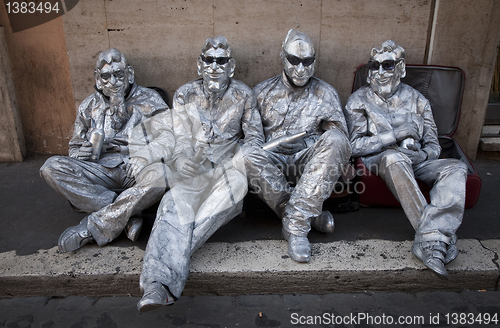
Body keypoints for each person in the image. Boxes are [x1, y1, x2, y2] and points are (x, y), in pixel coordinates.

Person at [137, 36, 264, 312]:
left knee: (230, 193)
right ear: (199, 65)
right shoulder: (184, 94)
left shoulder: (244, 95)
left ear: (231, 67)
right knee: (172, 203)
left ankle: (162, 274)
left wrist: (239, 158)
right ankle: (156, 286)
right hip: (195, 170)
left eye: (222, 61)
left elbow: (255, 140)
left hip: (230, 171)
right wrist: (181, 159)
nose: (215, 66)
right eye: (209, 60)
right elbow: (180, 139)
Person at [344, 40, 468, 279]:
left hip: (417, 160)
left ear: (400, 69)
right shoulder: (358, 100)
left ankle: (430, 239)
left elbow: (434, 145)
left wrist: (423, 155)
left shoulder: (418, 100)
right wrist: (394, 135)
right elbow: (354, 146)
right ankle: (437, 242)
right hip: (381, 159)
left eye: (387, 66)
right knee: (394, 158)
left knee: (457, 168)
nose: (379, 73)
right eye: (374, 66)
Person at [40, 48, 173, 252]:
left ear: (129, 73)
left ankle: (92, 227)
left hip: (136, 169)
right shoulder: (88, 106)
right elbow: (74, 147)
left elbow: (169, 138)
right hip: (99, 168)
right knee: (50, 168)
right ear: (98, 78)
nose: (114, 81)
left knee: (162, 176)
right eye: (106, 76)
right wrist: (80, 153)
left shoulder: (150, 99)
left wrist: (145, 155)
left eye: (119, 74)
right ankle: (125, 214)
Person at [244, 29, 352, 263]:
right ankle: (305, 214)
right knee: (245, 153)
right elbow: (252, 139)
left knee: (337, 140)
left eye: (307, 61)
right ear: (283, 58)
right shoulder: (261, 92)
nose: (300, 68)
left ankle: (295, 227)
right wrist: (269, 146)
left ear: (314, 62)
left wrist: (310, 141)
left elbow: (341, 140)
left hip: (307, 161)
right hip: (273, 160)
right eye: (294, 61)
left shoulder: (326, 92)